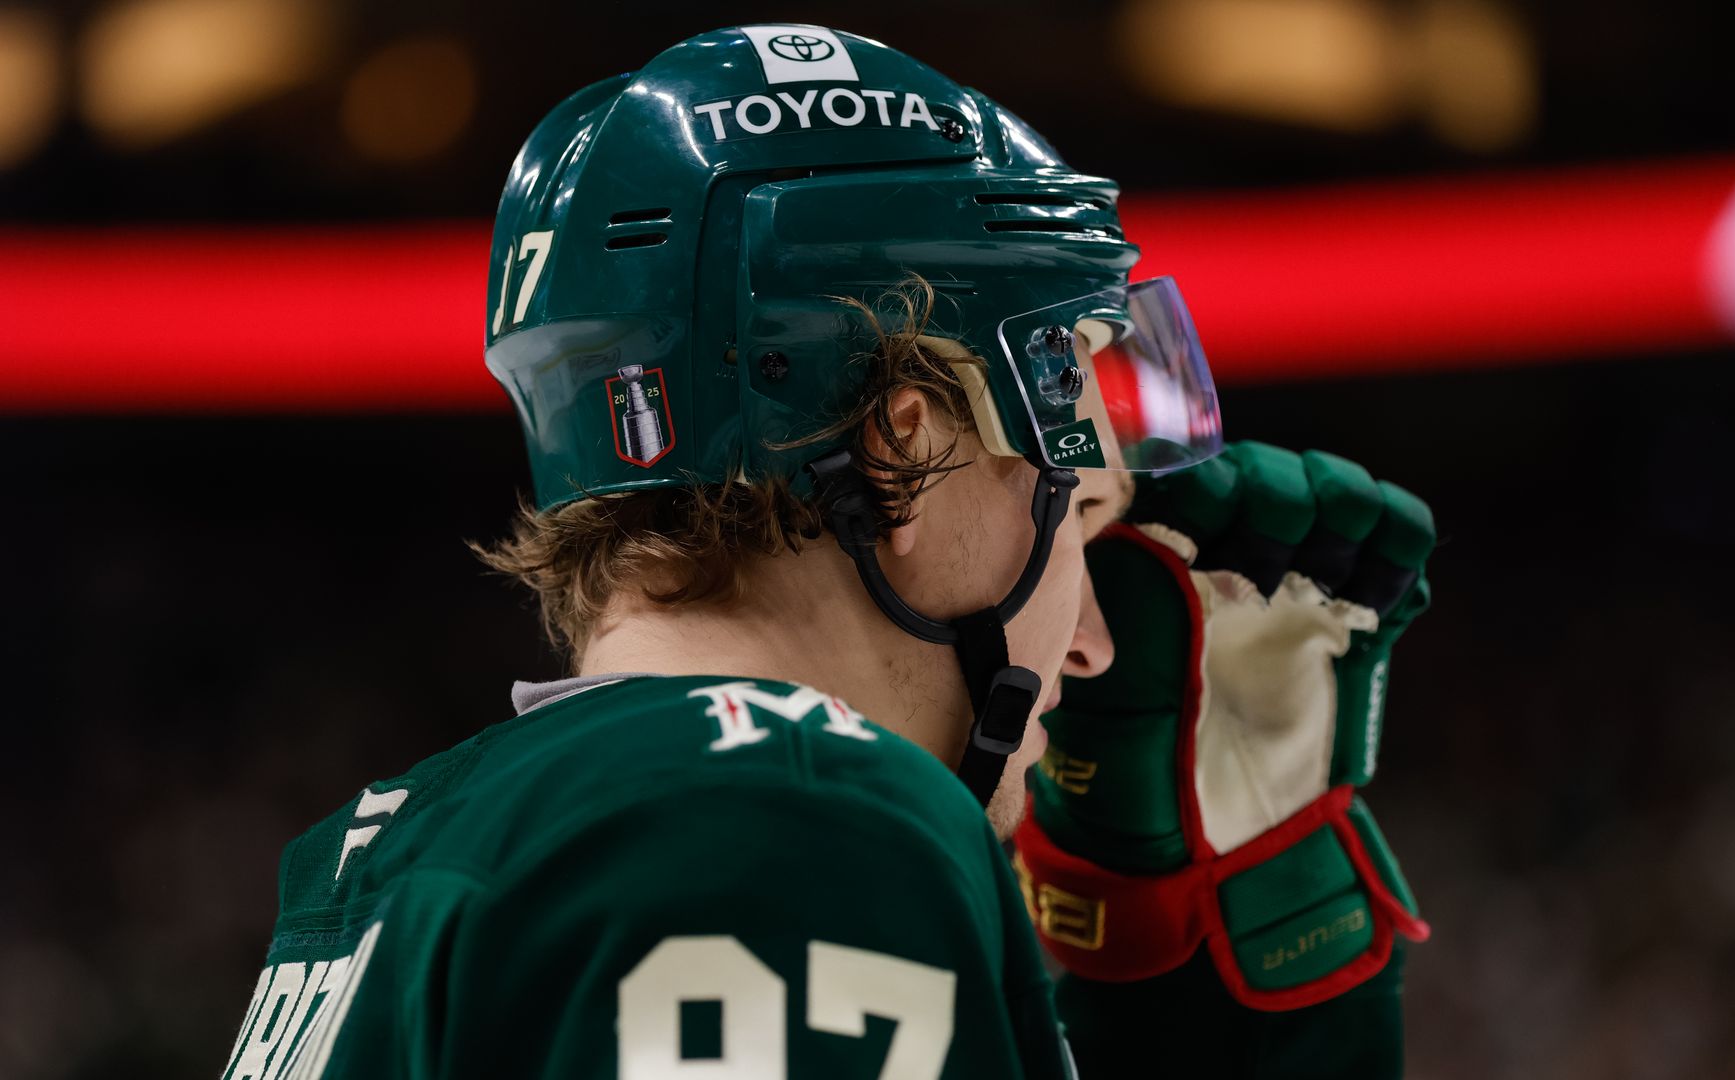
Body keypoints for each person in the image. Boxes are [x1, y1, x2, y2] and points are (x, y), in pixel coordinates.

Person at [218, 24, 1435, 1080]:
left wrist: (1179, 1011)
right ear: (906, 446)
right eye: (1075, 512)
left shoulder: (374, 852)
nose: (1095, 638)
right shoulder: (796, 812)